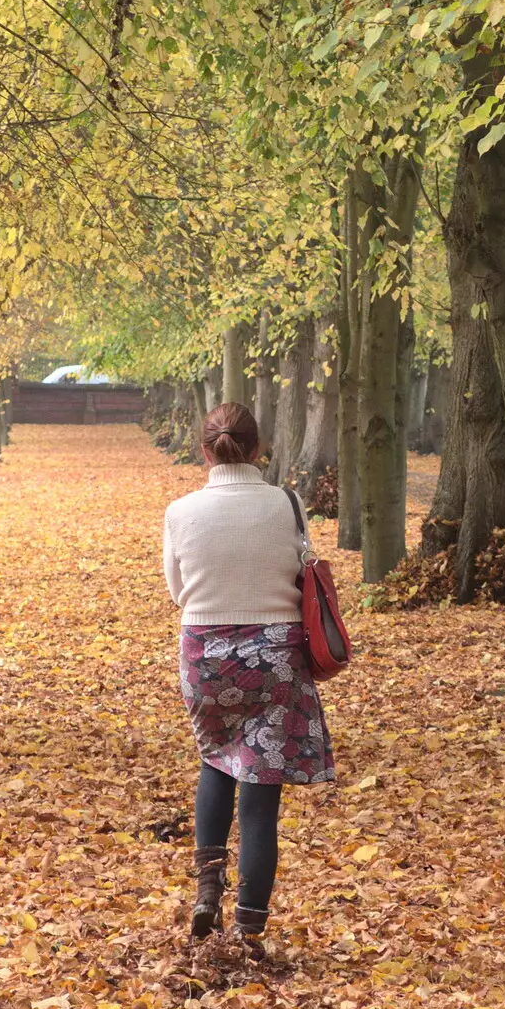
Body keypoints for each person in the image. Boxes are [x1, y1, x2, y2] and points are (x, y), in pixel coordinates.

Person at [163, 402, 335, 956]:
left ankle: (207, 888)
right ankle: (250, 930)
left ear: (203, 449)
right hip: (276, 656)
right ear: (258, 449)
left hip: (205, 653)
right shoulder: (286, 504)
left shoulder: (181, 511)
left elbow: (176, 589)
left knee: (215, 759)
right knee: (261, 796)